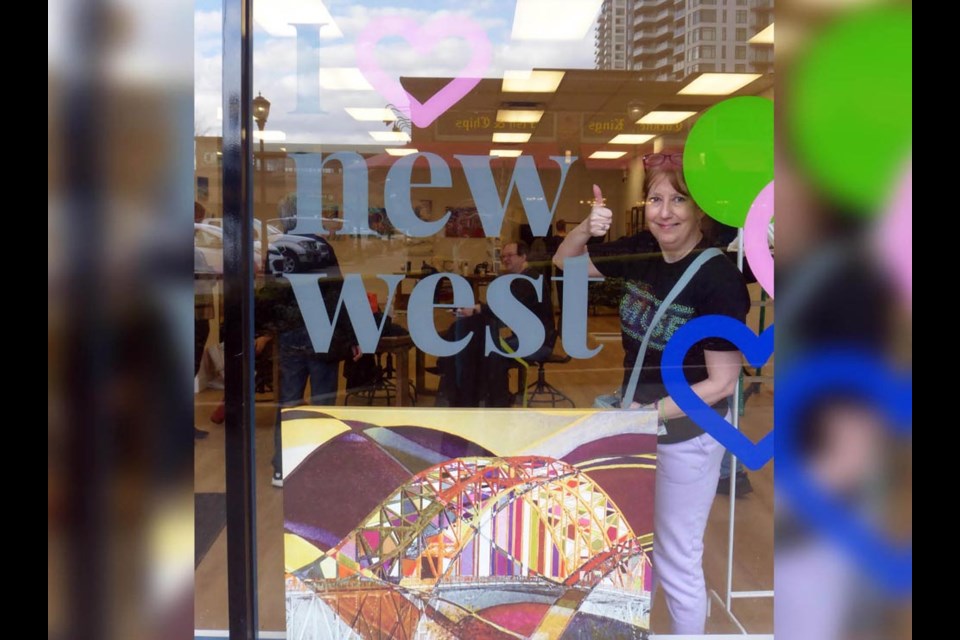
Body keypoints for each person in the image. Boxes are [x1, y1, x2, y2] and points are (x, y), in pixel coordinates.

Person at [553, 154, 749, 634]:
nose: (665, 211)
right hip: (636, 425)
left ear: (700, 208)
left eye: (679, 199)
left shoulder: (720, 279)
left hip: (685, 432)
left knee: (676, 557)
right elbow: (566, 262)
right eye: (656, 199)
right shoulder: (644, 246)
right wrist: (585, 228)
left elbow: (723, 381)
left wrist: (651, 413)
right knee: (634, 545)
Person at [259, 194, 360, 487]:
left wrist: (270, 332)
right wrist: (352, 337)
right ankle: (319, 463)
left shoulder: (277, 247)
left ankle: (282, 466)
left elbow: (271, 295)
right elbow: (336, 296)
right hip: (321, 334)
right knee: (322, 402)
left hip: (290, 336)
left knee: (289, 401)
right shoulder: (320, 247)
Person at [450, 241, 556, 407]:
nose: (505, 259)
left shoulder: (530, 280)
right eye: (503, 256)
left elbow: (505, 310)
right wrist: (479, 308)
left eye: (510, 255)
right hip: (525, 339)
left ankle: (499, 403)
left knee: (493, 354)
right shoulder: (520, 278)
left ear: (523, 257)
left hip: (538, 344)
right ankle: (487, 396)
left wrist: (477, 309)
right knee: (484, 347)